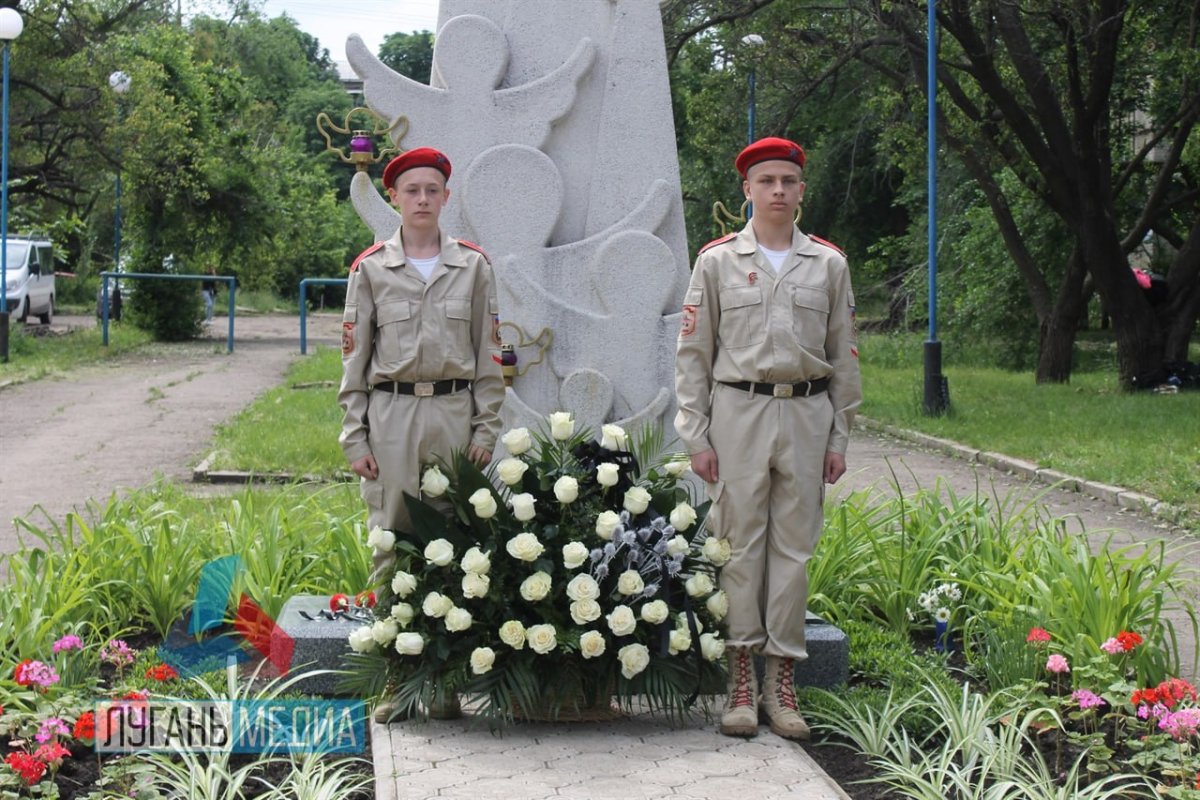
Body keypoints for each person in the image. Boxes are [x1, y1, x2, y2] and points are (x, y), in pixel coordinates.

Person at [674, 136, 862, 740]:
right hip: (739, 412)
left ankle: (780, 679)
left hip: (806, 415)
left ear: (801, 191)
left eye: (788, 181)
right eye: (767, 181)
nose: (778, 191)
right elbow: (692, 356)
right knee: (736, 545)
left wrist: (839, 436)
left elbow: (845, 356)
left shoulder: (828, 264)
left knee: (794, 550)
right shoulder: (717, 262)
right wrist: (696, 434)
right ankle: (739, 678)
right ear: (747, 190)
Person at [338, 147, 505, 719]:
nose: (423, 200)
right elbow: (354, 361)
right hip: (392, 415)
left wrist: (487, 428)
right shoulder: (370, 269)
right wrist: (355, 438)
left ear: (446, 198)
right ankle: (399, 677)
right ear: (395, 198)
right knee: (393, 543)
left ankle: (447, 681)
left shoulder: (474, 267)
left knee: (456, 548)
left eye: (433, 190)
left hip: (455, 415)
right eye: (412, 191)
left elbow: (490, 358)